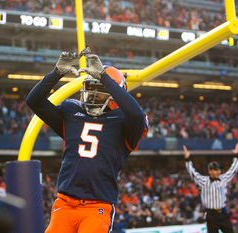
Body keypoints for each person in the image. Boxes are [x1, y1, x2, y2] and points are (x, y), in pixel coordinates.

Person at [26, 48, 148, 233]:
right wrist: (56, 73)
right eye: (90, 90)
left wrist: (105, 79)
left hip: (97, 207)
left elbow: (137, 115)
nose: (91, 96)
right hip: (65, 203)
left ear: (115, 96)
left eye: (99, 92)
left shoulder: (125, 122)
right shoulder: (72, 112)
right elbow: (33, 101)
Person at [183, 143, 238, 233]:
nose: (218, 171)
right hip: (211, 214)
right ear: (210, 171)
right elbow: (193, 173)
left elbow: (233, 170)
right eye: (216, 170)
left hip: (222, 212)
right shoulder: (203, 181)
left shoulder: (223, 178)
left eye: (219, 169)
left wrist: (237, 156)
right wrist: (187, 159)